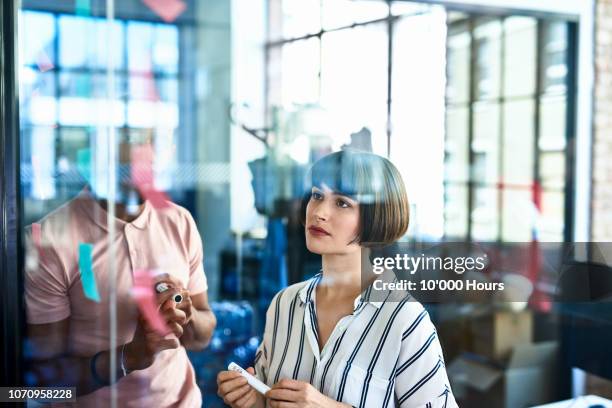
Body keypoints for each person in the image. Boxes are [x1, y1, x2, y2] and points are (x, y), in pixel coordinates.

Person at [217, 150, 457, 407]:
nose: (319, 212)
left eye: (342, 202)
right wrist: (254, 399)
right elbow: (269, 397)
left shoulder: (406, 320)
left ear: (375, 218)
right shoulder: (284, 304)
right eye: (317, 196)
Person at [24, 140, 216, 407]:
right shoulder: (49, 240)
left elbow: (202, 336)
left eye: (150, 143)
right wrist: (129, 357)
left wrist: (185, 313)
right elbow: (42, 384)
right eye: (132, 143)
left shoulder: (179, 221)